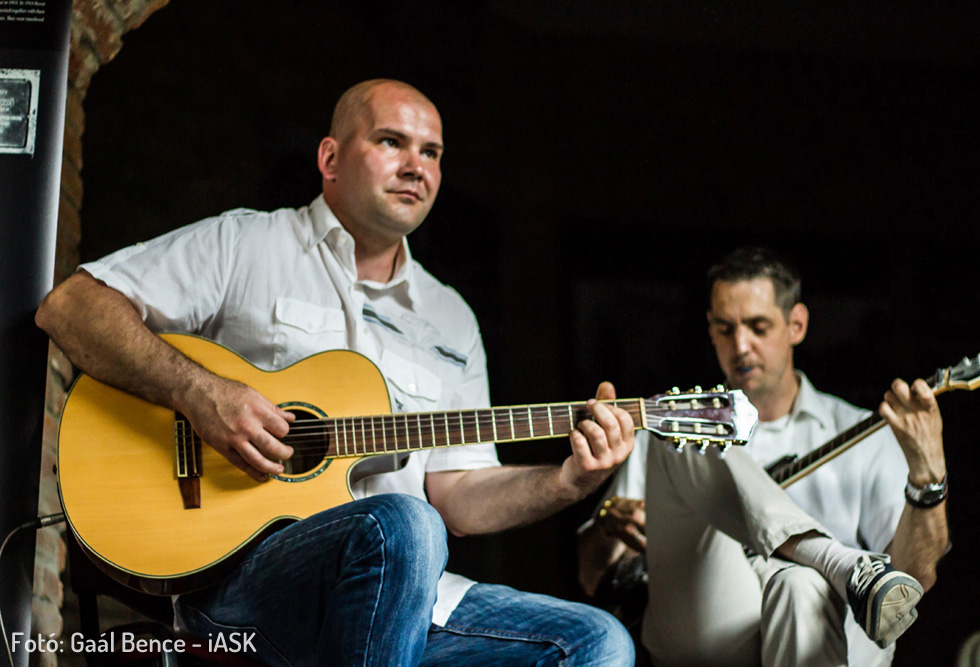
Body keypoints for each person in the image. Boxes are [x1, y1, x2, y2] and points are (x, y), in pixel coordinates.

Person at [37, 79, 637, 666]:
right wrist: (201, 394)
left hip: (412, 599)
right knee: (405, 524)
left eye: (431, 153)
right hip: (247, 582)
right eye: (392, 142)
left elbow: (459, 496)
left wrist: (570, 481)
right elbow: (71, 308)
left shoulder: (452, 319)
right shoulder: (246, 244)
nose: (417, 167)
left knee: (599, 641)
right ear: (330, 158)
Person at [578, 247, 950, 666]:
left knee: (801, 585)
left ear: (796, 325)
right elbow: (591, 578)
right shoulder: (669, 435)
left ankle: (832, 569)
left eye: (758, 327)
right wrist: (608, 521)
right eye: (725, 329)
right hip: (715, 626)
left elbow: (914, 580)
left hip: (825, 637)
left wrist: (928, 475)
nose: (741, 346)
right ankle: (843, 564)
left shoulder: (862, 432)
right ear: (710, 329)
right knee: (682, 418)